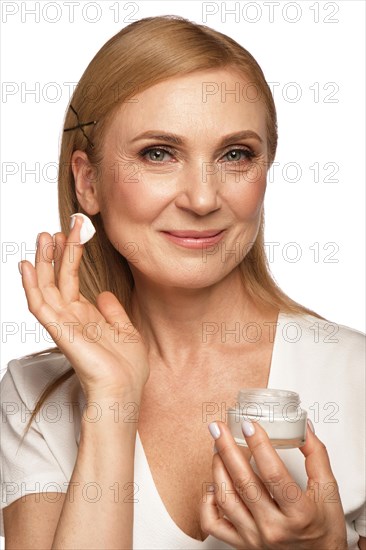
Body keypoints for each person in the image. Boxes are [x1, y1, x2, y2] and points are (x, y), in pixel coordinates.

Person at [0, 14, 365, 550]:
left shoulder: (356, 377)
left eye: (235, 155)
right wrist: (112, 401)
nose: (202, 198)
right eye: (158, 154)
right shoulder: (34, 399)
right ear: (88, 182)